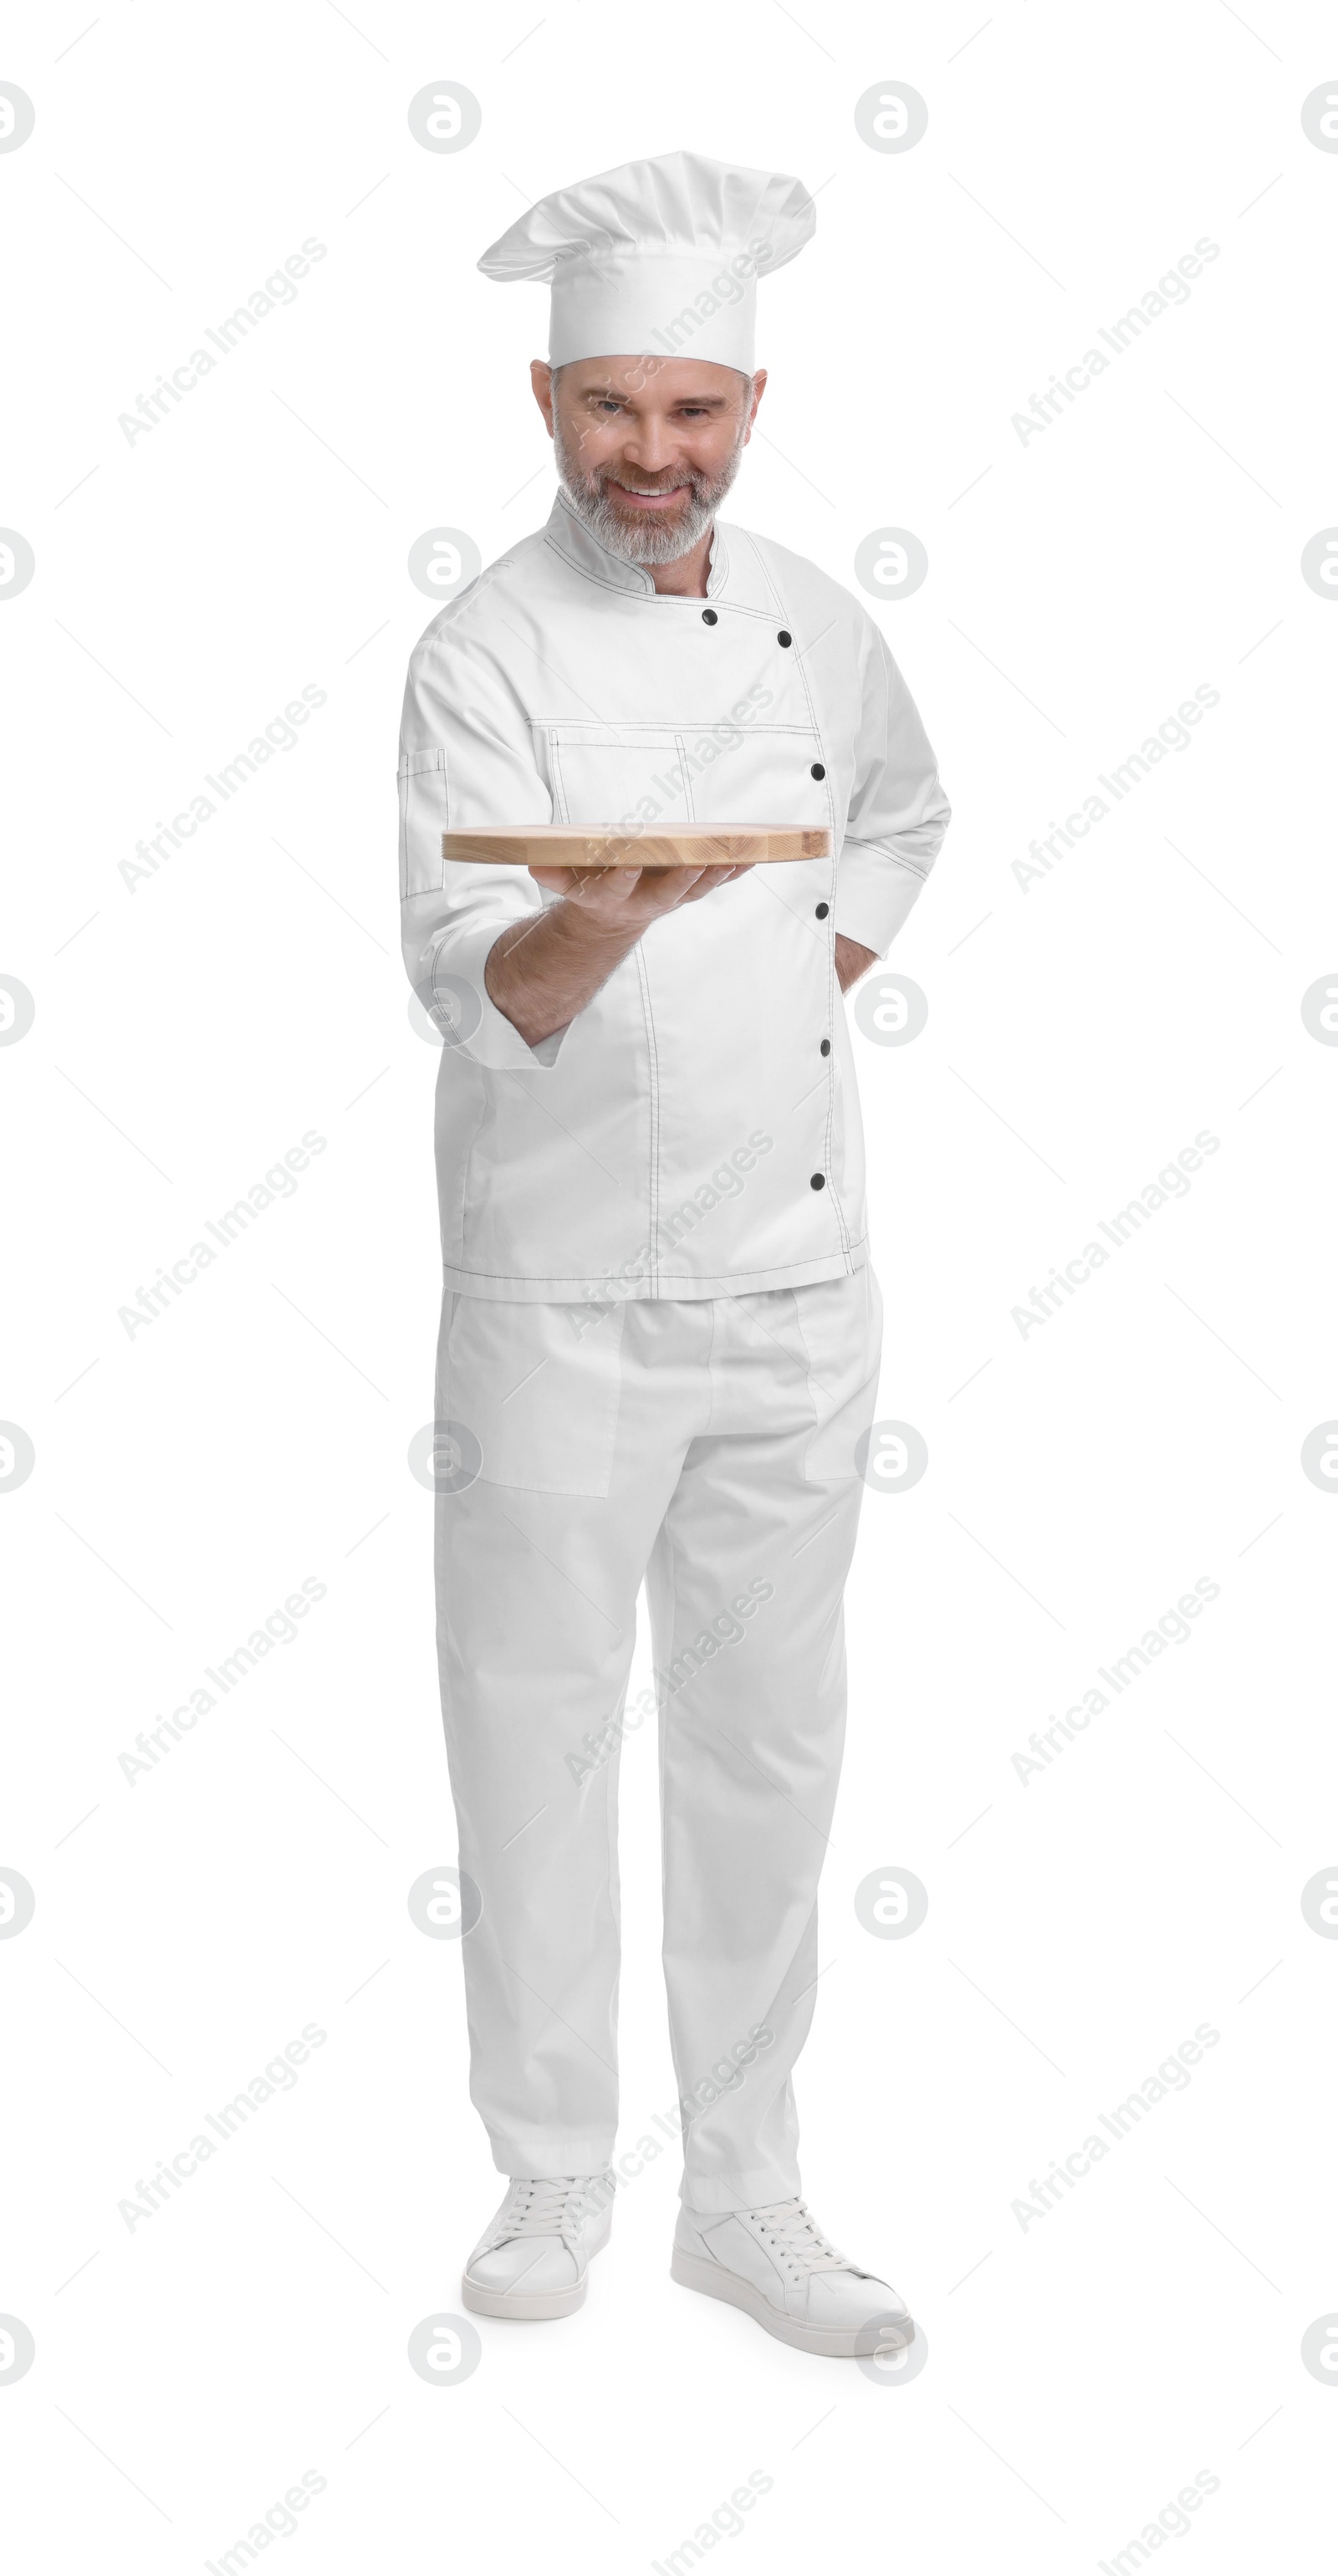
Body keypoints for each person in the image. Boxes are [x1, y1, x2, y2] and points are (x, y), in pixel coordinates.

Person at [398, 152, 950, 2357]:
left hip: (797, 1291)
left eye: (693, 411)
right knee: (532, 1725)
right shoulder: (484, 649)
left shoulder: (823, 615)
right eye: (612, 409)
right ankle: (548, 2176)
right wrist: (600, 909)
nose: (655, 456)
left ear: (752, 398)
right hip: (553, 1297)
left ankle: (747, 2186)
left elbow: (901, 805)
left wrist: (818, 941)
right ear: (546, 405)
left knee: (767, 1740)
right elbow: (474, 979)